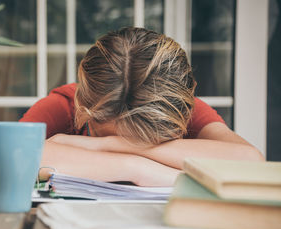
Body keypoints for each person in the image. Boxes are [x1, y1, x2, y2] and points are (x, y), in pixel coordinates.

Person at [20, 27, 264, 186]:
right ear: (82, 105)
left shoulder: (181, 109)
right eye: (114, 136)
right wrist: (136, 168)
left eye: (146, 140)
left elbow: (251, 162)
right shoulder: (64, 106)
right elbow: (13, 158)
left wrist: (103, 144)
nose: (126, 146)